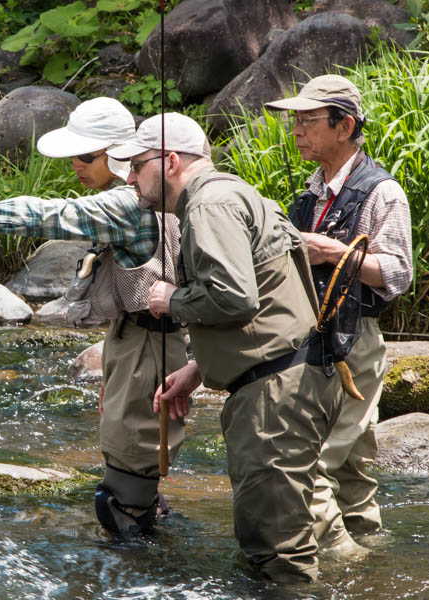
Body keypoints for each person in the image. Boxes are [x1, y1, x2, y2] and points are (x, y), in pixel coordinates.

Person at [0, 97, 190, 538]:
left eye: (86, 156)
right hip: (136, 338)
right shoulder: (144, 196)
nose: (76, 165)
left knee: (124, 491)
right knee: (134, 470)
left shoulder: (125, 205)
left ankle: (146, 570)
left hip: (151, 346)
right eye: (74, 154)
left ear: (119, 154)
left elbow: (48, 214)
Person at [107, 113, 343, 583]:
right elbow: (269, 299)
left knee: (278, 559)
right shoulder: (235, 192)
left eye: (137, 164)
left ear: (170, 161)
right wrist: (199, 368)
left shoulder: (207, 207)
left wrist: (170, 299)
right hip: (293, 379)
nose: (131, 177)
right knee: (290, 538)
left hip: (275, 398)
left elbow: (235, 296)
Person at [264, 75, 413, 555]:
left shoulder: (381, 191)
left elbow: (396, 272)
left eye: (308, 121)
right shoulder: (312, 191)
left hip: (354, 345)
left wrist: (332, 251)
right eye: (296, 122)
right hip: (318, 340)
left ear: (344, 125)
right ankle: (373, 561)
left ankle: (340, 567)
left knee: (311, 466)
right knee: (351, 468)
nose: (297, 131)